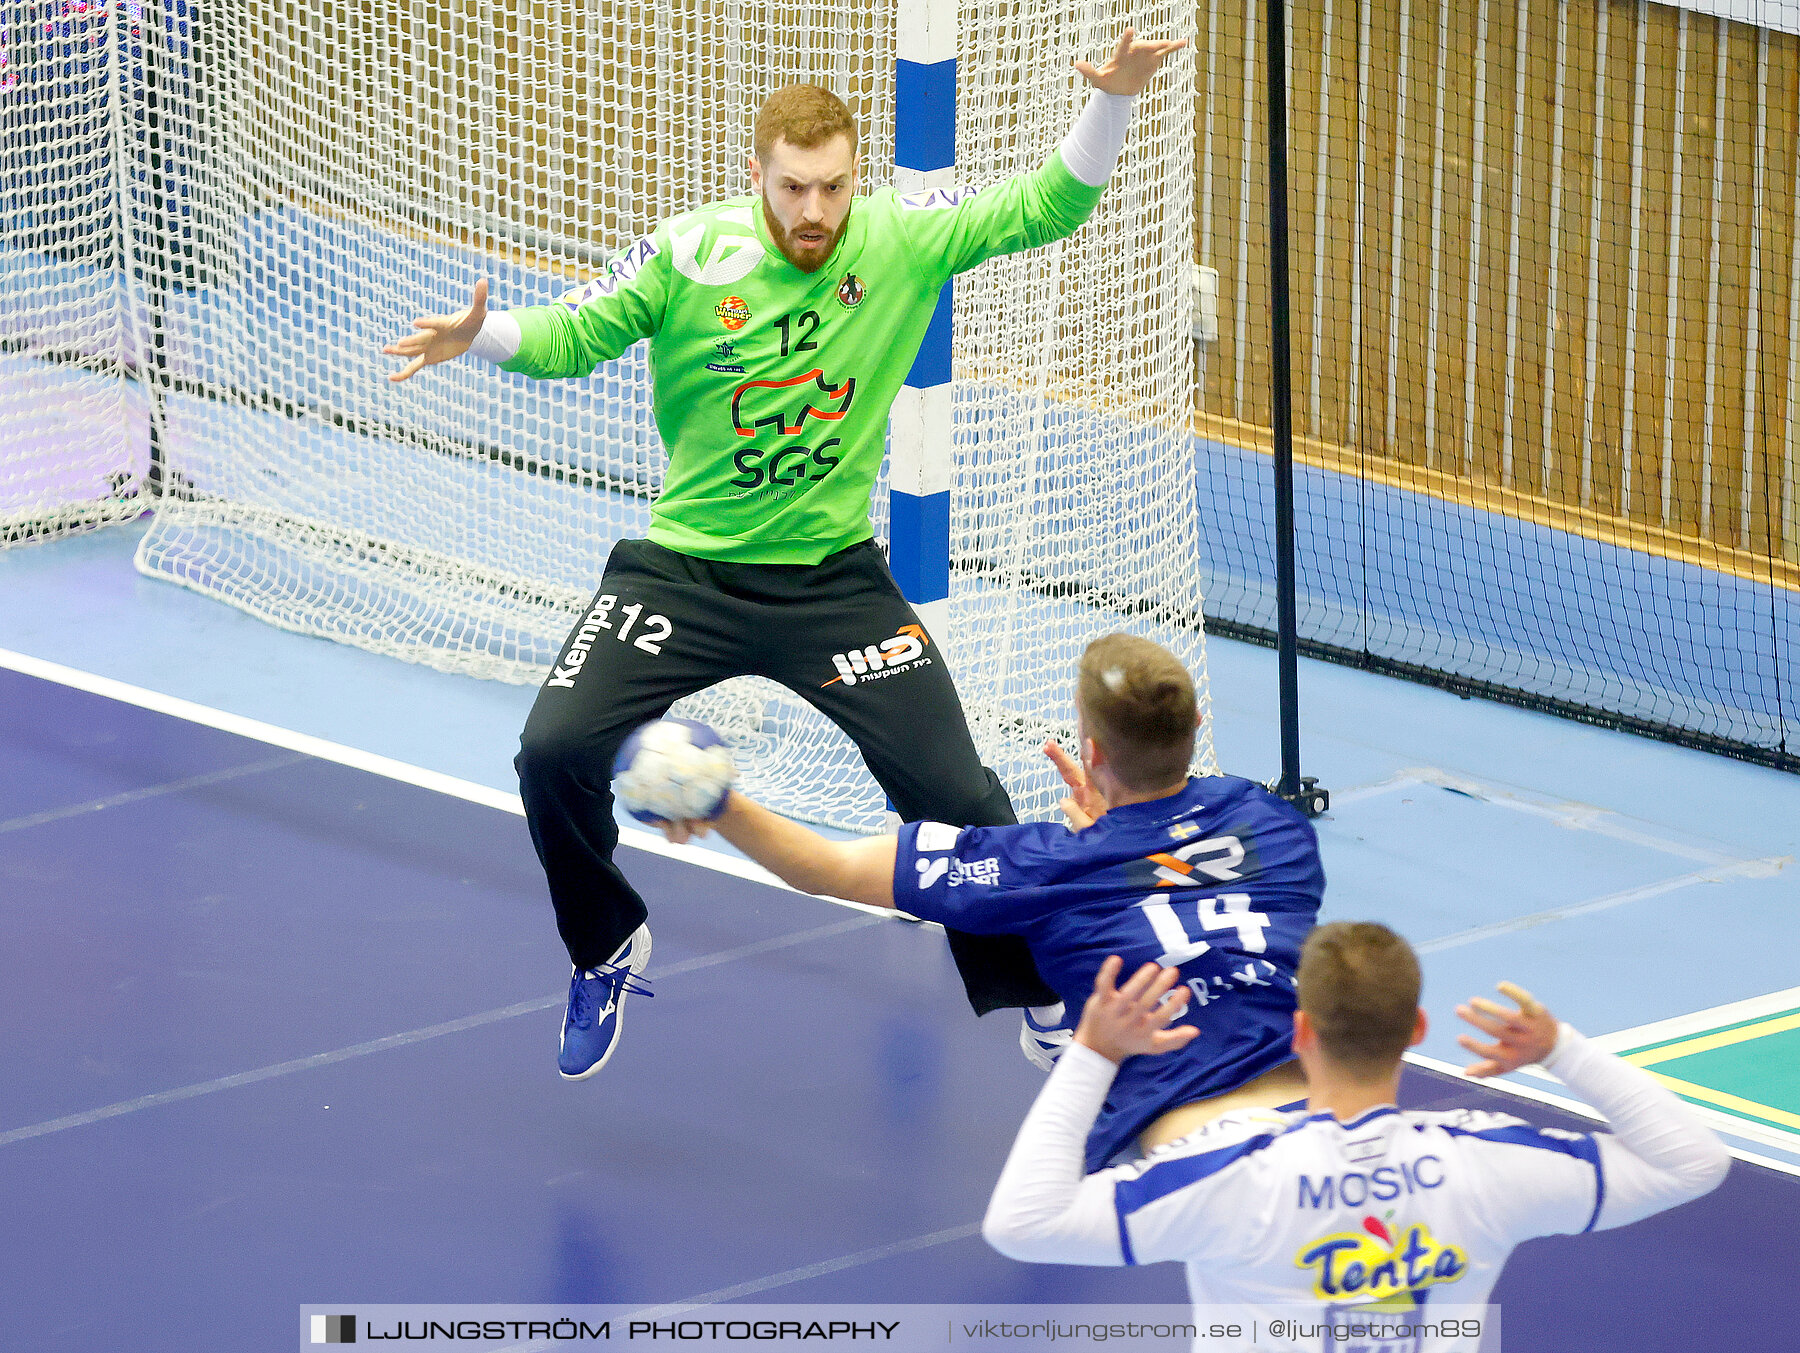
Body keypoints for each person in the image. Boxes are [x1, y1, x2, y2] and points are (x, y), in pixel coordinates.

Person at [381, 31, 1189, 1081]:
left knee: (960, 798)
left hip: (831, 583)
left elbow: (1042, 207)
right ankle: (607, 942)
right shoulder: (688, 253)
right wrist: (480, 337)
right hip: (685, 573)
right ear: (755, 176)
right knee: (553, 753)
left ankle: (1034, 991)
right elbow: (574, 336)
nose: (816, 212)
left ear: (857, 179)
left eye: (835, 188)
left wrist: (1115, 101)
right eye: (796, 188)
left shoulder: (901, 238)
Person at [655, 633, 1326, 1172]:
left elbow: (823, 866)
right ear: (1196, 726)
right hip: (1329, 1125)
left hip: (1200, 1164)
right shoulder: (1273, 824)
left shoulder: (1040, 867)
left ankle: (1057, 1028)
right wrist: (1124, 834)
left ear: (1088, 752)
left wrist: (716, 801)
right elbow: (1168, 865)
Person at [981, 922, 1730, 1351]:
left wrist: (1092, 1053)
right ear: (1418, 1030)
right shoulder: (1486, 1161)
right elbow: (1695, 1160)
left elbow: (1023, 1221)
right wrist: (1563, 1048)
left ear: (1300, 1031)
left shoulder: (1228, 1173)